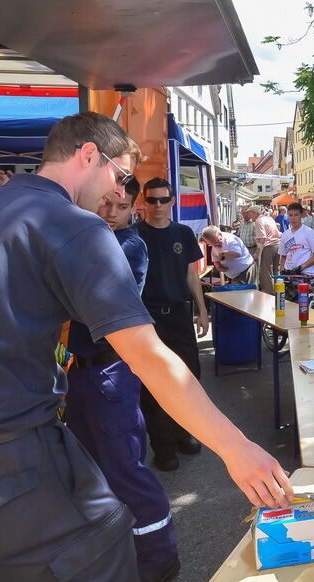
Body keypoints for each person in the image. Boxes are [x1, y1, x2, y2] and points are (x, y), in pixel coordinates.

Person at [0, 112, 292, 582]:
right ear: (89, 155)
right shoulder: (73, 225)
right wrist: (235, 448)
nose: (120, 194)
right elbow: (146, 356)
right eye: (121, 177)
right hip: (6, 467)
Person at [64, 178, 180, 582]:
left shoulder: (128, 245)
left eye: (119, 205)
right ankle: (114, 551)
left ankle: (159, 556)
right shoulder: (98, 239)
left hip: (111, 370)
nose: (110, 211)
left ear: (134, 209)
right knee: (88, 464)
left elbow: (88, 300)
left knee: (123, 466)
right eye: (105, 204)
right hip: (84, 370)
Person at [135, 176, 210, 471]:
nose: (157, 206)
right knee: (154, 385)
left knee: (188, 379)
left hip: (179, 315)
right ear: (143, 202)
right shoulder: (134, 236)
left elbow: (192, 275)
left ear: (172, 202)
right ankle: (164, 447)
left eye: (163, 200)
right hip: (149, 319)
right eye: (151, 200)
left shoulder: (183, 234)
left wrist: (202, 309)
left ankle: (184, 433)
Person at [278, 202, 314, 276]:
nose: (293, 218)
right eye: (290, 215)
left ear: (301, 215)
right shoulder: (285, 235)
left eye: (296, 215)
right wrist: (282, 271)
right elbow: (283, 256)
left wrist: (301, 267)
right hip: (289, 275)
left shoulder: (309, 232)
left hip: (306, 274)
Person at [252, 205, 282, 292]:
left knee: (266, 272)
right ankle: (278, 292)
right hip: (277, 245)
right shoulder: (269, 218)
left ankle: (269, 294)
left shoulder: (259, 220)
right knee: (276, 271)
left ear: (254, 213)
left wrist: (257, 253)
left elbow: (262, 238)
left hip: (268, 246)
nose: (250, 216)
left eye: (250, 213)